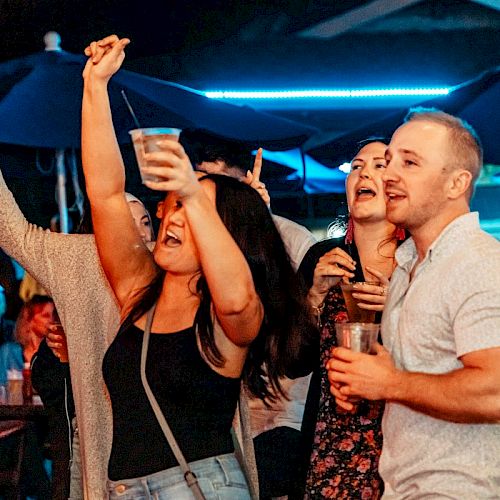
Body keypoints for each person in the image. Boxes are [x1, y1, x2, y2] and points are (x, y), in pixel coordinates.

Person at [82, 35, 313, 499]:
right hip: (123, 490)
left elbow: (238, 295)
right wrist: (95, 86)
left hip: (202, 488)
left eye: (189, 211)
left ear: (225, 235)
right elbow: (106, 193)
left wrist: (193, 189)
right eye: (169, 206)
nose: (169, 216)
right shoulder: (137, 292)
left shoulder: (233, 319)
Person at [328, 108, 500, 498]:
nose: (388, 174)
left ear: (457, 183)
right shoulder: (409, 267)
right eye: (390, 160)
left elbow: (495, 391)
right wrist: (369, 380)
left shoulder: (479, 263)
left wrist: (390, 382)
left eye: (410, 162)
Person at [0, 175, 154, 496]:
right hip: (92, 457)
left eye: (146, 223)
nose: (140, 233)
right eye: (127, 224)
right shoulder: (79, 284)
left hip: (157, 460)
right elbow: (54, 388)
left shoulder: (171, 285)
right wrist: (71, 356)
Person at [189, 133, 316, 498]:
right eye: (201, 184)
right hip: (218, 419)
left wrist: (251, 231)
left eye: (223, 185)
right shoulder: (191, 245)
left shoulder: (292, 240)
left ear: (245, 182)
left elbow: (297, 333)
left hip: (279, 416)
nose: (210, 196)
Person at [293, 139, 403, 499]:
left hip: (403, 440)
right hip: (330, 440)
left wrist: (401, 304)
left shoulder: (417, 259)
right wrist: (314, 296)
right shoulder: (323, 256)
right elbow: (292, 361)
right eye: (356, 167)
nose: (364, 173)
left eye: (378, 165)